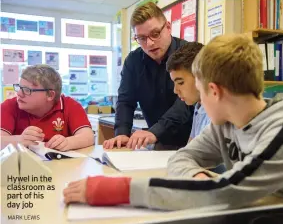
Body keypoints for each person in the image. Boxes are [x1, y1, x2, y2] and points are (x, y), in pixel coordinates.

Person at [64, 34, 283, 211]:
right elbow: (182, 156)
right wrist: (196, 177)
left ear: (214, 91)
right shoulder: (224, 124)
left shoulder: (277, 130)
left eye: (200, 88)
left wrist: (118, 190)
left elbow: (225, 191)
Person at [103, 2, 194, 150]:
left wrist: (155, 131)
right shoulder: (133, 61)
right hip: (159, 141)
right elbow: (126, 100)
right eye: (142, 38)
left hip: (193, 140)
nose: (150, 43)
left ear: (168, 27)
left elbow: (186, 104)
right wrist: (122, 132)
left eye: (155, 34)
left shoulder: (189, 54)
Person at [1, 64, 94, 151]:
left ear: (50, 95)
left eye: (26, 90)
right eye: (19, 87)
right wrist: (20, 139)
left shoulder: (70, 105)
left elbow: (88, 136)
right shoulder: (10, 106)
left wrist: (68, 142)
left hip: (60, 166)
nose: (19, 94)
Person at [166, 42, 211, 142]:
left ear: (200, 77)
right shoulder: (199, 107)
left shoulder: (215, 113)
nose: (175, 90)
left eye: (181, 83)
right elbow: (190, 148)